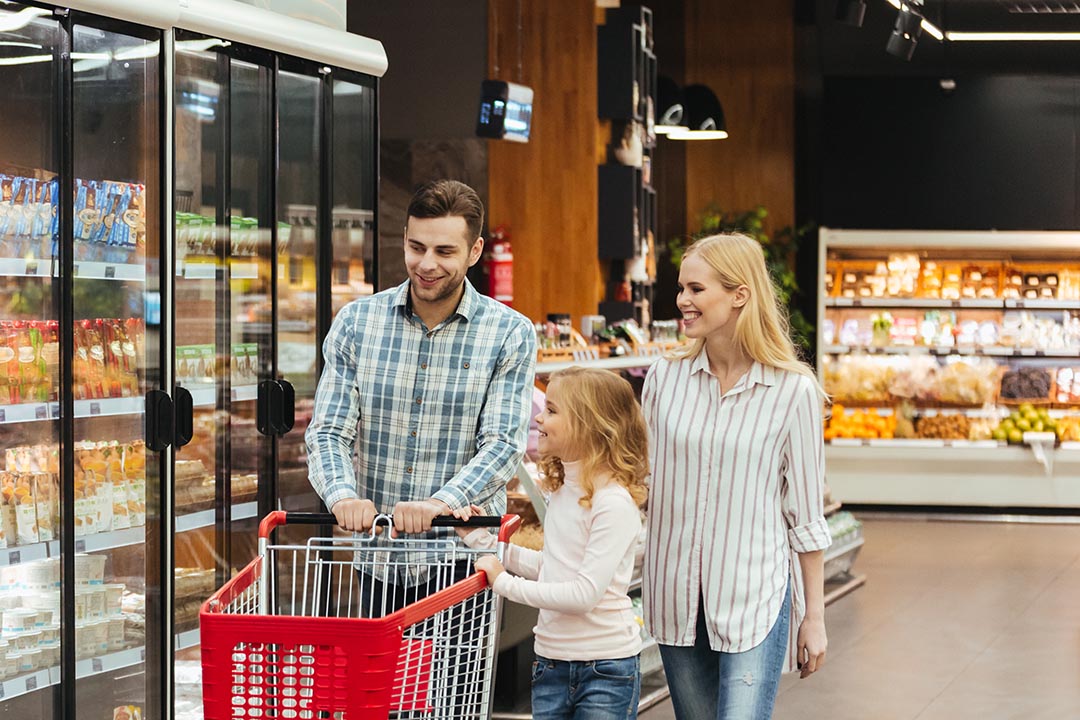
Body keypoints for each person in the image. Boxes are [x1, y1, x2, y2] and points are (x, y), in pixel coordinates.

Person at [305, 178, 537, 596]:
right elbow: (328, 431)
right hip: (379, 559)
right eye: (417, 247)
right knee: (382, 665)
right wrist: (341, 496)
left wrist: (440, 505)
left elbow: (502, 444)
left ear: (475, 251)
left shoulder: (510, 333)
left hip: (465, 560)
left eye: (445, 251)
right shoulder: (357, 323)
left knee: (460, 666)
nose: (427, 264)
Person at [642, 233, 831, 720]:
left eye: (696, 289)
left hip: (754, 596)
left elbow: (805, 515)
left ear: (739, 295)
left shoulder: (793, 391)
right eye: (681, 288)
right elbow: (642, 481)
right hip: (674, 597)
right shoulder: (664, 379)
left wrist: (814, 616)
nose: (682, 300)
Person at [457, 366, 649, 720]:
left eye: (552, 410)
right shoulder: (563, 492)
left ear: (592, 426)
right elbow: (552, 567)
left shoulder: (613, 504)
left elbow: (582, 594)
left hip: (605, 668)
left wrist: (502, 583)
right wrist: (482, 540)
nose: (539, 418)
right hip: (550, 662)